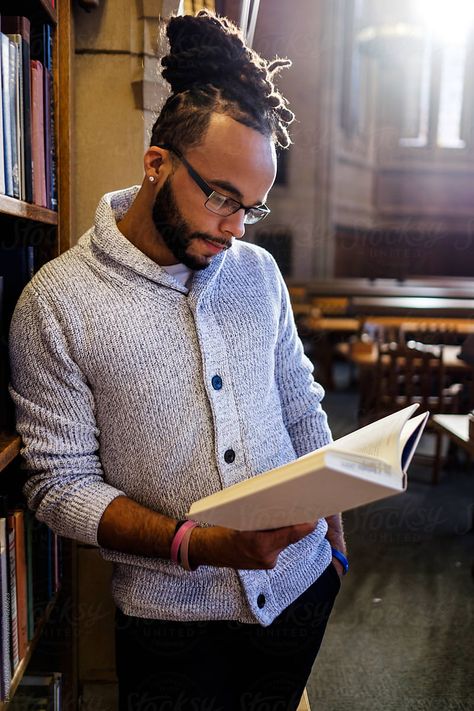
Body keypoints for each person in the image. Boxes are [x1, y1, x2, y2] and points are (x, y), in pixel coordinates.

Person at [9, 11, 347, 711]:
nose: (234, 228)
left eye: (250, 209)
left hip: (299, 592)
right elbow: (59, 488)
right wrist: (202, 544)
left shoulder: (257, 272)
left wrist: (335, 546)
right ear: (156, 163)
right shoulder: (59, 302)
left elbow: (299, 400)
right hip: (172, 626)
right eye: (221, 198)